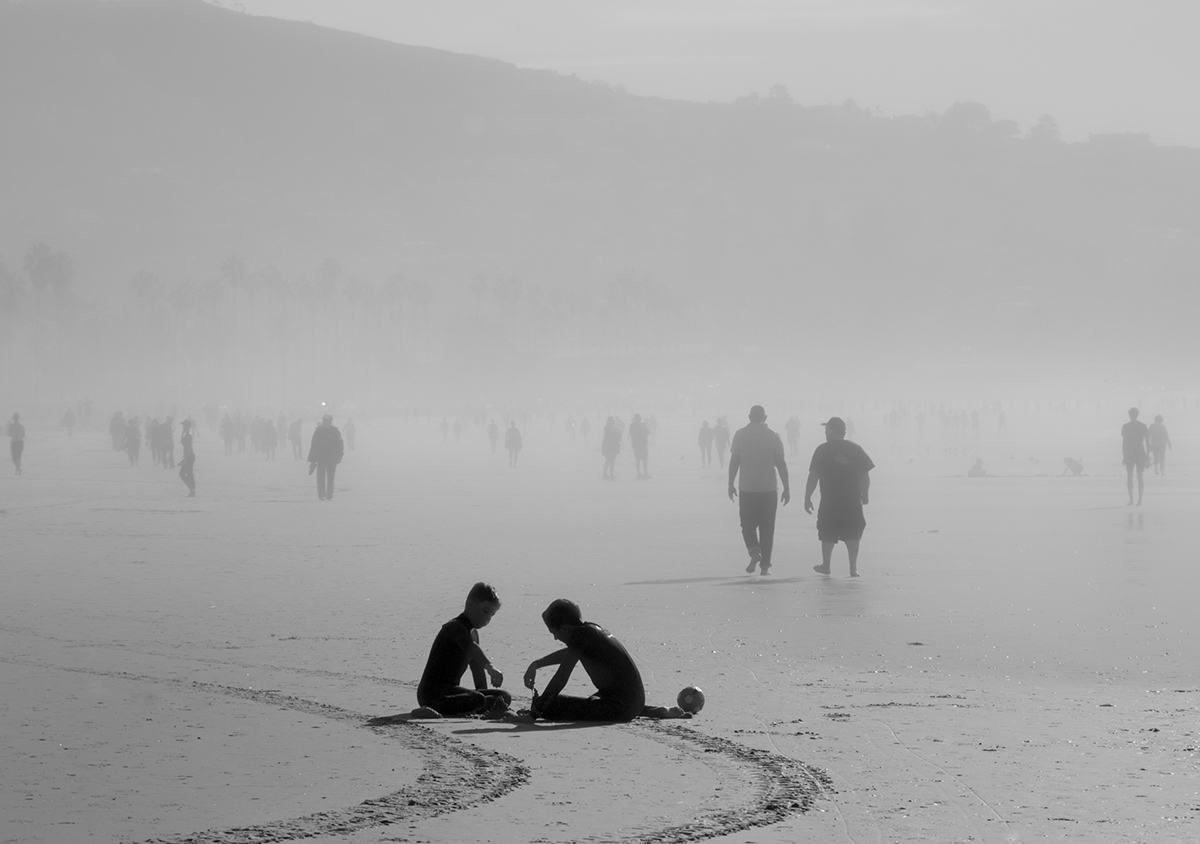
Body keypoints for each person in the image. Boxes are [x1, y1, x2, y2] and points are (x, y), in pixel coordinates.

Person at [523, 599, 646, 722]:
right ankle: (649, 710)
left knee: (549, 706)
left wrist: (534, 714)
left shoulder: (580, 637)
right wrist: (537, 664)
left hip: (619, 708)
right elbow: (569, 654)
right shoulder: (590, 629)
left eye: (554, 633)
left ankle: (642, 710)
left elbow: (561, 678)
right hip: (633, 703)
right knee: (587, 702)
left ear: (565, 629)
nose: (555, 638)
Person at [416, 582, 510, 717]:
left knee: (503, 696)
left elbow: (477, 669)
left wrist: (485, 694)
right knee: (479, 699)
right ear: (471, 604)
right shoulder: (454, 627)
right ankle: (428, 710)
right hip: (433, 695)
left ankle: (476, 706)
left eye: (492, 615)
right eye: (486, 611)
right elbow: (471, 648)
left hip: (452, 691)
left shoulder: (474, 633)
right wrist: (491, 668)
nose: (488, 618)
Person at [804, 417, 874, 577]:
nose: (825, 432)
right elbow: (865, 475)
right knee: (853, 534)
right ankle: (853, 568)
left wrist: (807, 497)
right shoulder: (856, 448)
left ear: (831, 431)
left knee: (827, 533)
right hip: (852, 500)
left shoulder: (822, 450)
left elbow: (813, 475)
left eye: (826, 429)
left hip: (830, 500)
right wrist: (866, 494)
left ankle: (826, 565)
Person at [728, 405, 790, 575]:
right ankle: (765, 566)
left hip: (747, 488)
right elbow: (781, 464)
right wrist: (787, 488)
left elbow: (735, 461)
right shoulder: (774, 436)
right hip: (769, 488)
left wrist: (730, 483)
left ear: (749, 417)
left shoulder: (740, 434)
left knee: (747, 525)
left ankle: (755, 551)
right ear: (765, 417)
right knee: (767, 528)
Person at [307, 414, 345, 500]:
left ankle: (329, 495)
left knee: (330, 478)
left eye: (326, 421)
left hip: (332, 458)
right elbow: (314, 446)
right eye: (323, 421)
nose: (324, 422)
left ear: (330, 422)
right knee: (320, 477)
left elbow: (340, 445)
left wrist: (339, 456)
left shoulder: (335, 431)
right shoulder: (318, 431)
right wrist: (312, 460)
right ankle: (321, 495)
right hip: (321, 458)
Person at [1121, 407, 1150, 505]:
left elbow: (1124, 443)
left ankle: (1131, 499)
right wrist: (1148, 456)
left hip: (1129, 452)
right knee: (1140, 476)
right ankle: (1140, 500)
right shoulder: (1143, 426)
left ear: (1129, 415)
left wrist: (1124, 456)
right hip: (1141, 452)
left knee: (1130, 476)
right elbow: (1147, 442)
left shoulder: (1125, 426)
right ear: (1137, 414)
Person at [628, 413, 651, 479]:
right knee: (638, 459)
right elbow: (632, 433)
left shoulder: (642, 425)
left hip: (643, 444)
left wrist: (644, 429)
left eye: (639, 418)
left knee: (644, 459)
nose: (639, 419)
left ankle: (645, 472)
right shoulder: (632, 425)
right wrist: (640, 430)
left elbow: (648, 432)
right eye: (638, 418)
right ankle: (639, 473)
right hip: (637, 445)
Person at [179, 418, 196, 497]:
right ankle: (192, 490)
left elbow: (189, 448)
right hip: (189, 456)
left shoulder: (188, 435)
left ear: (188, 426)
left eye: (185, 425)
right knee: (189, 473)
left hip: (189, 457)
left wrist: (184, 459)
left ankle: (191, 490)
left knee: (182, 473)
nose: (183, 426)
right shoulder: (186, 434)